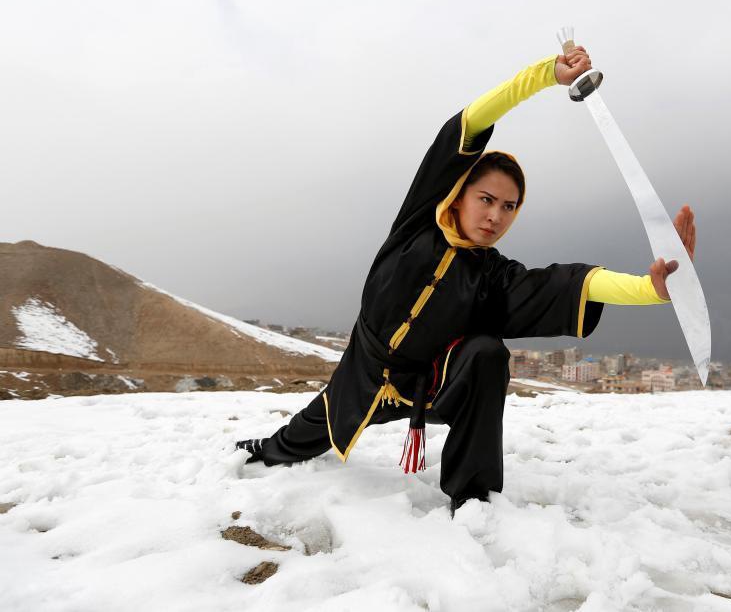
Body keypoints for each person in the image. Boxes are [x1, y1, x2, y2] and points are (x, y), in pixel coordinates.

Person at [236, 45, 697, 518]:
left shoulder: (494, 277)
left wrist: (650, 290)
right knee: (298, 436)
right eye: (486, 199)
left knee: (486, 352)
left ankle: (473, 499)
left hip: (432, 386)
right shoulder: (418, 221)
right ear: (458, 195)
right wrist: (545, 76)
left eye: (509, 206)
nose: (496, 215)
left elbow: (571, 284)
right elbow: (471, 122)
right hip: (363, 373)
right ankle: (267, 449)